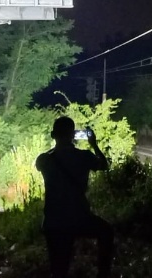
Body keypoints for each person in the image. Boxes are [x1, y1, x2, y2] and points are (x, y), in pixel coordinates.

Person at [35, 117, 113, 278]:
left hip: (53, 221)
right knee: (107, 232)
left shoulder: (43, 159)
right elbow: (104, 165)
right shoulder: (84, 157)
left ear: (52, 135)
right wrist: (94, 144)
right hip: (78, 218)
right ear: (73, 135)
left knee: (58, 268)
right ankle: (102, 274)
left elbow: (47, 160)